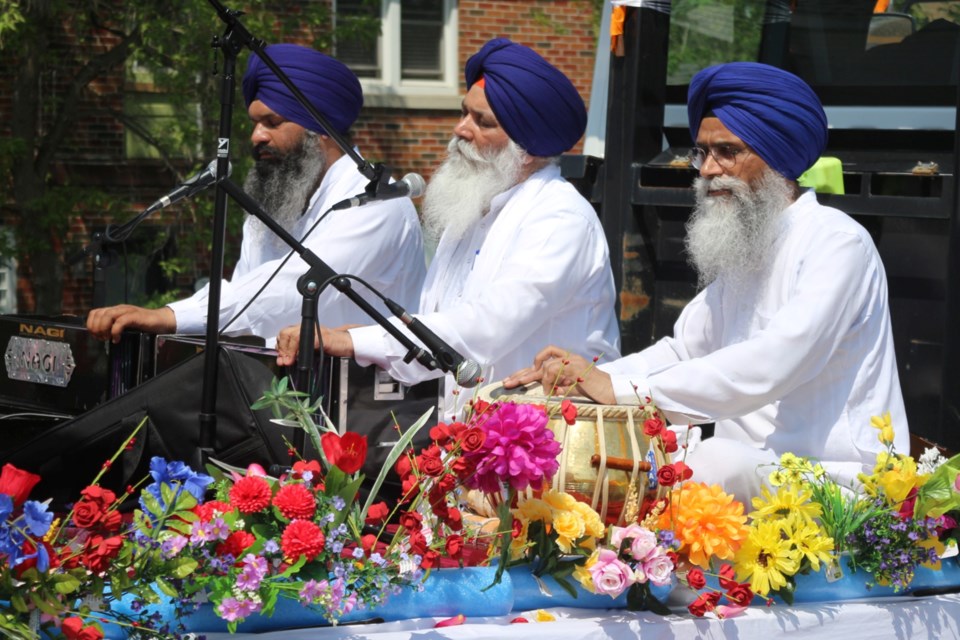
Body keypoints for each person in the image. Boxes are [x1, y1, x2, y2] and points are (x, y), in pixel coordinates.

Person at [504, 61, 908, 505]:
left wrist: (619, 391)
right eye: (702, 153)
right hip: (758, 471)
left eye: (727, 152)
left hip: (838, 481)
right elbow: (683, 350)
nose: (708, 170)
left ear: (776, 156)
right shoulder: (751, 240)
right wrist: (584, 381)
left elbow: (773, 362)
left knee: (710, 461)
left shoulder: (837, 242)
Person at [275, 38, 621, 414]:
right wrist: (354, 334)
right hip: (468, 436)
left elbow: (486, 327)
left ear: (529, 145)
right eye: (463, 113)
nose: (460, 129)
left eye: (482, 121)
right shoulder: (472, 209)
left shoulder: (560, 218)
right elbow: (436, 326)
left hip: (553, 442)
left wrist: (357, 343)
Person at [87, 44, 425, 345]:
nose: (256, 136)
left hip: (366, 405)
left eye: (272, 122)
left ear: (319, 129)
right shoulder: (277, 198)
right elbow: (247, 298)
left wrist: (168, 316)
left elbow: (283, 292)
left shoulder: (377, 202)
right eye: (254, 122)